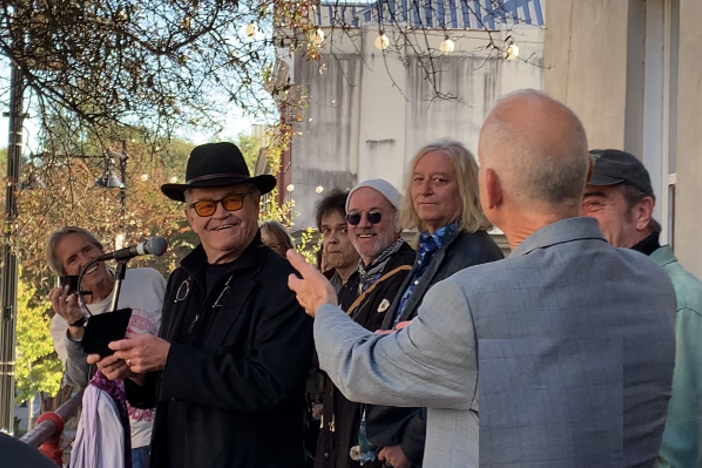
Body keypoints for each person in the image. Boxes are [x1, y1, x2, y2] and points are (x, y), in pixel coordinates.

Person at [287, 90, 676, 467]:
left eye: (440, 180)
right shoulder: (654, 283)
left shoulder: (471, 298)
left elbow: (360, 370)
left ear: (487, 187)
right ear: (585, 174)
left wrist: (324, 306)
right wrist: (429, 337)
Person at [88, 142, 314, 468]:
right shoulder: (182, 278)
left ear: (255, 203)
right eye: (206, 206)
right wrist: (137, 373)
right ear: (191, 217)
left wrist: (168, 357)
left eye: (232, 200)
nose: (220, 213)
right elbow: (172, 382)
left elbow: (269, 385)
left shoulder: (286, 282)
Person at [365, 139, 503, 468]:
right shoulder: (430, 248)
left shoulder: (475, 256)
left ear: (465, 189)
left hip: (436, 445)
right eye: (418, 180)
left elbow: (462, 368)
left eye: (439, 180)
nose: (425, 190)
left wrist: (411, 444)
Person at [581, 149, 702, 468]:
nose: (578, 219)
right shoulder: (601, 290)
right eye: (572, 204)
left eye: (594, 203)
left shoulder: (680, 302)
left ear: (642, 212)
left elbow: (675, 455)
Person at [316, 179, 415, 468]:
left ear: (398, 221)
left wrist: (410, 442)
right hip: (339, 433)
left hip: (382, 441)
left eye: (374, 215)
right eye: (354, 218)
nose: (363, 224)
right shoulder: (352, 283)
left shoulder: (411, 275)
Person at [47, 226, 165, 468]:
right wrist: (75, 325)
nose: (86, 260)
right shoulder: (62, 323)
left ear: (101, 249)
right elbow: (83, 378)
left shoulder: (149, 280)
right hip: (126, 440)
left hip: (173, 424)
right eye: (73, 259)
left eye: (88, 249)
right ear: (65, 275)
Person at [315, 189, 360, 292]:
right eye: (327, 230)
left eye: (343, 230)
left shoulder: (377, 287)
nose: (332, 239)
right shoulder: (320, 287)